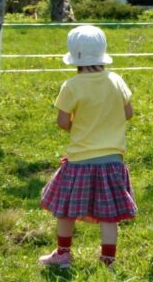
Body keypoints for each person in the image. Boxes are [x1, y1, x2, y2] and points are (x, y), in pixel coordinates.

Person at [39, 25, 136, 269]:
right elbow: (128, 112)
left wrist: (80, 128)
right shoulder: (116, 81)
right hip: (112, 159)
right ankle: (108, 260)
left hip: (80, 159)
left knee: (65, 209)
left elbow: (62, 122)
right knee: (109, 213)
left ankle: (63, 253)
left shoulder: (72, 85)